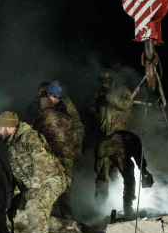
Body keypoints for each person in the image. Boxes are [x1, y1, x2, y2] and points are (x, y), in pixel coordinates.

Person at [0, 111, 66, 233]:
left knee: (34, 207)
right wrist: (14, 203)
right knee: (37, 215)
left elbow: (40, 159)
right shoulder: (11, 146)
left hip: (51, 178)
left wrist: (35, 186)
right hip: (37, 183)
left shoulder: (29, 136)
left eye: (0, 128)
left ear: (10, 127)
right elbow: (18, 177)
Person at [92, 68, 154, 216]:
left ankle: (122, 209)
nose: (105, 84)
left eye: (108, 81)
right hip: (107, 140)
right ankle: (106, 210)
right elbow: (91, 108)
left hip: (118, 137)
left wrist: (109, 97)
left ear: (113, 80)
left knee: (113, 175)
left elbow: (127, 105)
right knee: (105, 177)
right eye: (103, 82)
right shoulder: (99, 93)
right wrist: (144, 170)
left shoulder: (122, 90)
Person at [33, 89, 81, 221]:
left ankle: (48, 219)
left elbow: (33, 139)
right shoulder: (67, 119)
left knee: (50, 188)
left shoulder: (41, 118)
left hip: (52, 158)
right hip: (68, 158)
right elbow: (76, 140)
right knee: (66, 192)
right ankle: (68, 219)